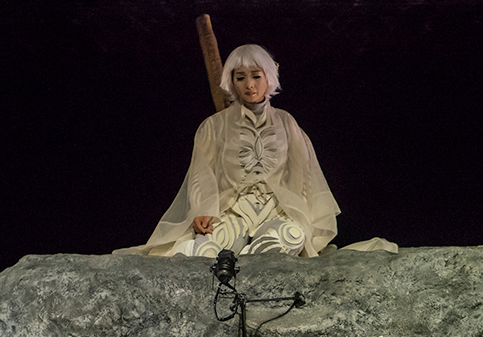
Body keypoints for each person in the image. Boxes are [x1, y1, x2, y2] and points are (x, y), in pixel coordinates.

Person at [116, 43, 339, 259]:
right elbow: (202, 173)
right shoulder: (214, 125)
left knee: (291, 236)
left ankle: (241, 263)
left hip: (277, 212)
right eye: (240, 78)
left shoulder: (286, 122)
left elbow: (303, 173)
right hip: (232, 211)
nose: (249, 84)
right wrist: (203, 209)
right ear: (231, 82)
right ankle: (232, 260)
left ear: (269, 77)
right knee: (204, 249)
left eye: (256, 76)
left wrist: (302, 217)